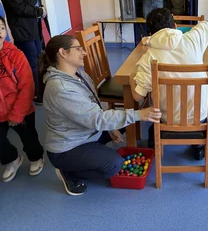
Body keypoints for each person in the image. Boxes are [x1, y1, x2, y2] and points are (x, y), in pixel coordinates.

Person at [39, 35, 161, 196]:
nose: (84, 53)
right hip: (68, 147)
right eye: (78, 49)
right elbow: (96, 119)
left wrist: (109, 127)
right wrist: (139, 114)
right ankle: (68, 171)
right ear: (63, 53)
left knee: (122, 121)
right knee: (114, 165)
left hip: (86, 130)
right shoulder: (61, 88)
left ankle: (92, 154)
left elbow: (93, 110)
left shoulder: (79, 74)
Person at [132, 8, 208, 159]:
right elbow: (206, 25)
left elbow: (137, 96)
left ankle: (156, 150)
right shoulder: (193, 40)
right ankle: (199, 146)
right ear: (175, 26)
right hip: (199, 119)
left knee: (151, 127)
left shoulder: (149, 56)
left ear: (150, 34)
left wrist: (132, 77)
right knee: (199, 113)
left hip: (167, 120)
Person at [0, 0, 48, 104]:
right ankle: (34, 94)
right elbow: (18, 7)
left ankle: (40, 90)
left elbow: (34, 0)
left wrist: (39, 10)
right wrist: (39, 11)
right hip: (21, 30)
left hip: (34, 27)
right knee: (29, 63)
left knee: (39, 58)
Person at [0, 15, 44, 183]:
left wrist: (17, 114)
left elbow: (27, 87)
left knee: (29, 138)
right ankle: (12, 159)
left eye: (2, 28)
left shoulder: (16, 55)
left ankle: (36, 157)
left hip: (20, 108)